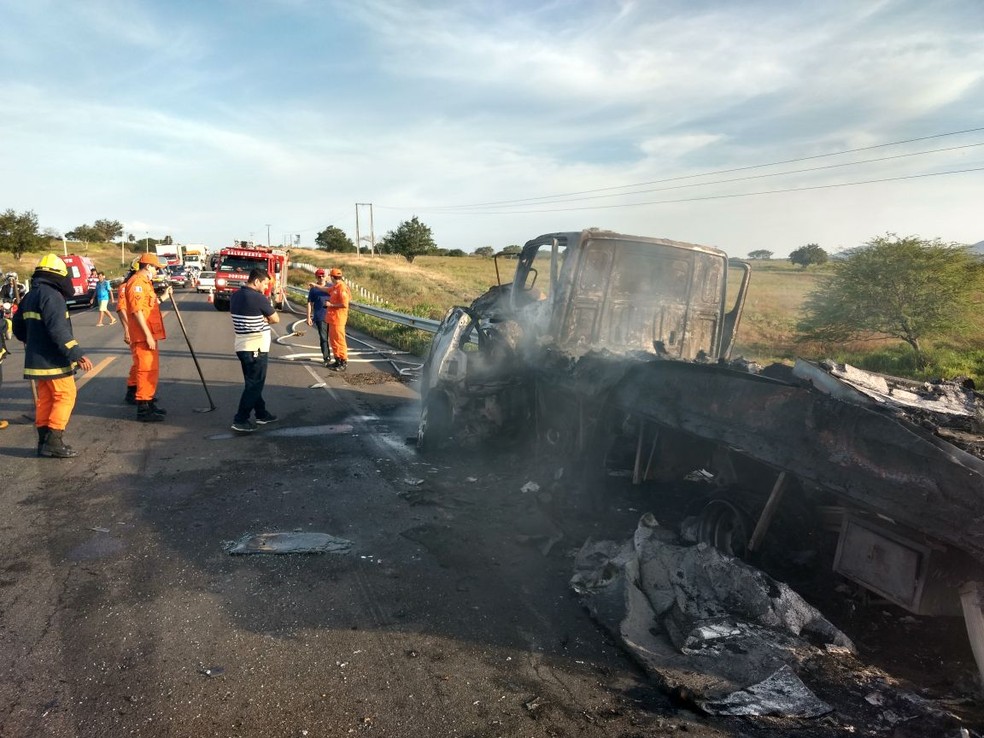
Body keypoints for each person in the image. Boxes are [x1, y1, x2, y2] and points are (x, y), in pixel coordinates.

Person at [11, 254, 93, 457]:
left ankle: (43, 441)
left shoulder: (31, 295)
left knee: (46, 399)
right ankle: (54, 441)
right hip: (53, 361)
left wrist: (32, 339)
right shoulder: (52, 296)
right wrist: (77, 354)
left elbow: (18, 328)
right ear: (59, 276)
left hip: (36, 361)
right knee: (65, 395)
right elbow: (58, 330)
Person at [230, 268, 280, 433]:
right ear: (256, 281)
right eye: (265, 283)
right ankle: (241, 419)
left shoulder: (236, 295)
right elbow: (275, 319)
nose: (266, 287)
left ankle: (261, 413)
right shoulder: (258, 298)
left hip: (241, 345)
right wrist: (265, 319)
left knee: (252, 383)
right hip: (256, 347)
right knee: (255, 385)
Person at [123, 253, 170, 422]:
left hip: (149, 335)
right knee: (145, 371)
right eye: (156, 268)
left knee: (151, 370)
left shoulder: (145, 283)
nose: (157, 271)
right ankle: (143, 409)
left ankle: (148, 403)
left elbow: (148, 305)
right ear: (148, 266)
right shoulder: (136, 283)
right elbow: (137, 312)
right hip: (143, 336)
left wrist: (163, 297)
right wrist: (148, 336)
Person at [311, 267, 350, 371]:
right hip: (332, 319)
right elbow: (326, 289)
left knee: (340, 340)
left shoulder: (342, 288)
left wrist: (331, 304)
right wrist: (315, 285)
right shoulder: (335, 287)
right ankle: (337, 360)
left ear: (332, 277)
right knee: (333, 341)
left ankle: (343, 361)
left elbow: (344, 304)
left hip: (339, 319)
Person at [117, 258, 141, 404]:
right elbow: (121, 309)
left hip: (142, 330)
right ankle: (133, 392)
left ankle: (137, 390)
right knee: (139, 362)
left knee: (140, 362)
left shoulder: (140, 283)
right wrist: (126, 329)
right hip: (133, 330)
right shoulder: (126, 286)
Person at [306, 268, 332, 366]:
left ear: (326, 277)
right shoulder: (313, 289)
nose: (321, 278)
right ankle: (327, 357)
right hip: (320, 316)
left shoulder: (331, 287)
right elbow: (309, 303)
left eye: (322, 276)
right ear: (316, 277)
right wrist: (308, 317)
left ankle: (339, 358)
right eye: (319, 276)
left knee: (333, 338)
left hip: (332, 316)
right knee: (323, 338)